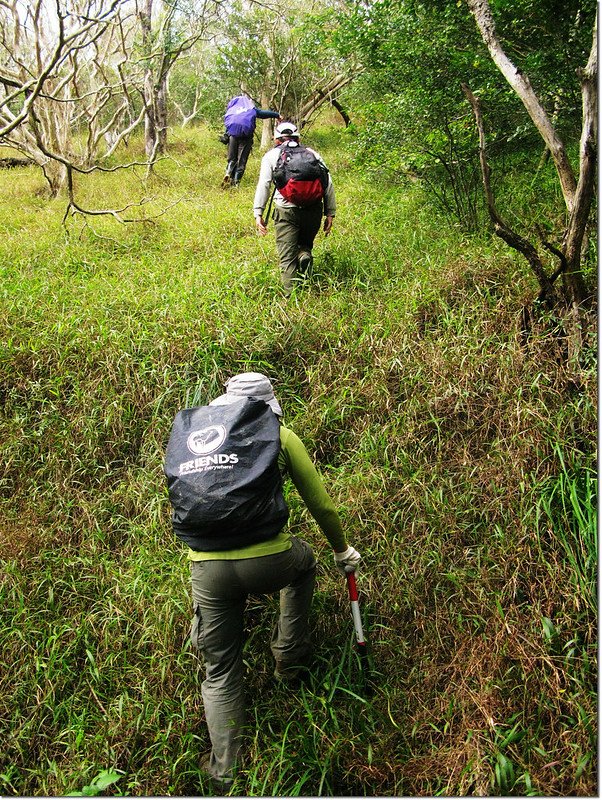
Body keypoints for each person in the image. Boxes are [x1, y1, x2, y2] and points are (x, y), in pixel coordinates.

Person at [181, 372, 361, 790]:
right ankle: (288, 659)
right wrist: (341, 550)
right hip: (270, 559)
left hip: (205, 568)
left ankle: (225, 770)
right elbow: (322, 505)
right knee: (305, 564)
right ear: (269, 405)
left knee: (220, 668)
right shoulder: (280, 434)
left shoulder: (199, 437)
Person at [253, 122, 336, 294]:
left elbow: (264, 184)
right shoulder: (313, 154)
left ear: (276, 140)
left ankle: (292, 299)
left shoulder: (271, 156)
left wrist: (258, 212)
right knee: (305, 244)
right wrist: (330, 213)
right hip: (314, 210)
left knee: (287, 258)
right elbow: (328, 182)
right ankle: (305, 254)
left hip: (286, 211)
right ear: (298, 138)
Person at [221, 94, 281, 188]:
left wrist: (226, 135)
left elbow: (229, 125)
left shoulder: (232, 111)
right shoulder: (250, 109)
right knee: (241, 161)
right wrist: (277, 115)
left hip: (233, 136)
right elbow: (264, 114)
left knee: (232, 159)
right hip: (246, 137)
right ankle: (236, 184)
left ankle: (228, 172)